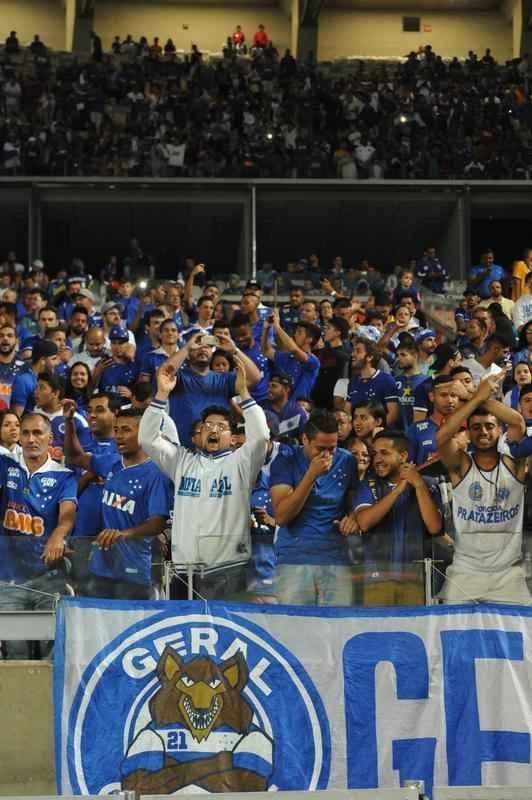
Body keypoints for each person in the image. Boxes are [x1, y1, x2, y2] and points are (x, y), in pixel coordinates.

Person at [139, 356, 269, 600]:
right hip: (182, 569)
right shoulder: (182, 461)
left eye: (222, 427)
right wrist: (162, 395)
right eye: (208, 425)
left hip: (228, 568)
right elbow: (147, 439)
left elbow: (261, 437)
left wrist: (243, 393)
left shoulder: (242, 462)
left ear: (233, 437)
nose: (214, 430)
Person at [436, 373, 530, 604]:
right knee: (452, 635)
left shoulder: (514, 463)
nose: (484, 432)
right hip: (465, 572)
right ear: (468, 432)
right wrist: (476, 399)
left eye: (490, 426)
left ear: (499, 431)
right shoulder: (460, 464)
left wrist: (472, 396)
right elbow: (442, 437)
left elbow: (518, 421)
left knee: (525, 637)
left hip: (509, 573)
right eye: (476, 427)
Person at [65, 404, 171, 599]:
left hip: (134, 569)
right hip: (100, 566)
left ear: (145, 434)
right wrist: (69, 422)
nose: (119, 436)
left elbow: (158, 522)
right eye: (116, 430)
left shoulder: (156, 474)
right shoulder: (111, 462)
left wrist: (124, 534)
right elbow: (75, 457)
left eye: (126, 430)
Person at [270, 410, 358, 606]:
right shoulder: (285, 461)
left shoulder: (347, 461)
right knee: (295, 626)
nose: (326, 454)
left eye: (332, 448)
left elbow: (354, 504)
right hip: (294, 557)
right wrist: (311, 475)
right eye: (320, 448)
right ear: (304, 439)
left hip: (336, 557)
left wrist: (352, 517)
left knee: (338, 626)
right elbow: (282, 516)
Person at [353, 429, 442, 605]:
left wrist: (418, 485)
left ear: (403, 456)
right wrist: (398, 490)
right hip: (376, 578)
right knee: (377, 631)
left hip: (416, 578)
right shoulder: (368, 485)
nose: (377, 459)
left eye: (384, 453)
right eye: (375, 454)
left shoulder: (428, 485)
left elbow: (435, 527)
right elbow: (364, 522)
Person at [0, 412, 77, 615]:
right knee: (14, 646)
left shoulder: (64, 476)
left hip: (48, 576)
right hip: (9, 577)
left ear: (50, 438)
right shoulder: (6, 465)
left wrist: (58, 535)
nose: (31, 439)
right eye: (25, 433)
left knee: (51, 640)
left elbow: (67, 515)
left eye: (37, 433)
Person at [337, 338, 399, 425]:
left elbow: (393, 415)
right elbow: (348, 411)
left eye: (358, 351)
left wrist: (377, 431)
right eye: (353, 351)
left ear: (369, 357)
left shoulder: (387, 380)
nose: (353, 354)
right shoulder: (354, 381)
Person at [11, 340, 59, 417]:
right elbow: (16, 416)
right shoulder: (23, 381)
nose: (57, 363)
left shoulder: (50, 377)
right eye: (53, 359)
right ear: (42, 360)